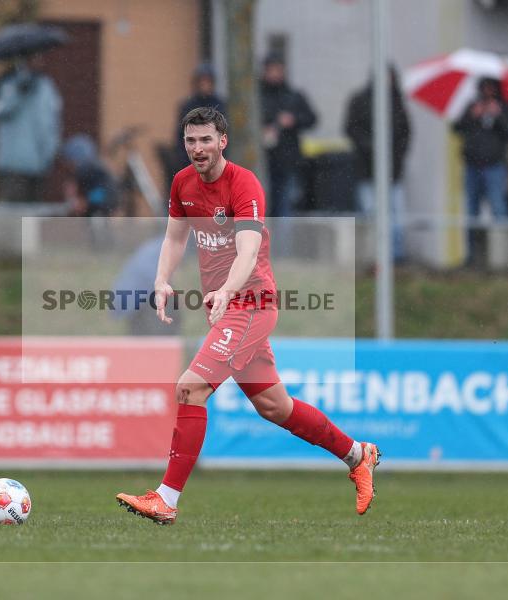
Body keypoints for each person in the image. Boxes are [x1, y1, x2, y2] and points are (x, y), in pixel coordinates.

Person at [115, 107, 380, 525]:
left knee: (190, 388)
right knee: (275, 407)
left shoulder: (244, 184)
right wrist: (162, 280)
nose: (197, 148)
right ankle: (356, 454)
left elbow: (248, 252)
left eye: (206, 140)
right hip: (225, 309)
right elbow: (173, 236)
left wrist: (226, 290)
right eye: (190, 141)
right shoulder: (182, 182)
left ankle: (166, 499)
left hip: (251, 305)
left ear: (222, 141)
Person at [344, 66, 411, 262]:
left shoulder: (397, 104)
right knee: (370, 213)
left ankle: (396, 256)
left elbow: (405, 134)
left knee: (396, 215)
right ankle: (372, 255)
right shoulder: (360, 101)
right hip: (366, 169)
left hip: (393, 171)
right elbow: (351, 129)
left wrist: (394, 154)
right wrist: (370, 147)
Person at [453, 77, 508, 264]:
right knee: (471, 212)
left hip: (495, 167)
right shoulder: (472, 106)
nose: (487, 91)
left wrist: (498, 116)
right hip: (473, 166)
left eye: (491, 88)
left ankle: (502, 257)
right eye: (484, 87)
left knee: (499, 209)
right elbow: (456, 127)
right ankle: (472, 256)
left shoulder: (506, 108)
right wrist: (471, 116)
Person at [0, 52, 62, 202]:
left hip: (39, 164)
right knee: (15, 216)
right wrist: (16, 94)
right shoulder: (7, 83)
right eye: (34, 58)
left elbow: (51, 122)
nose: (39, 62)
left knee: (33, 219)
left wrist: (50, 152)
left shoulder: (46, 87)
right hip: (13, 165)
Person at [260, 53, 317, 220]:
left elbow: (312, 118)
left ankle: (282, 244)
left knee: (285, 207)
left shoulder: (293, 95)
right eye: (271, 70)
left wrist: (294, 120)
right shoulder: (258, 97)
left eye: (278, 70)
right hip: (263, 160)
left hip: (288, 161)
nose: (274, 74)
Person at [174, 63, 228, 171]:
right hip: (191, 159)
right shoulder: (187, 106)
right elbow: (180, 134)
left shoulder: (220, 105)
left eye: (207, 81)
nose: (204, 85)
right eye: (202, 81)